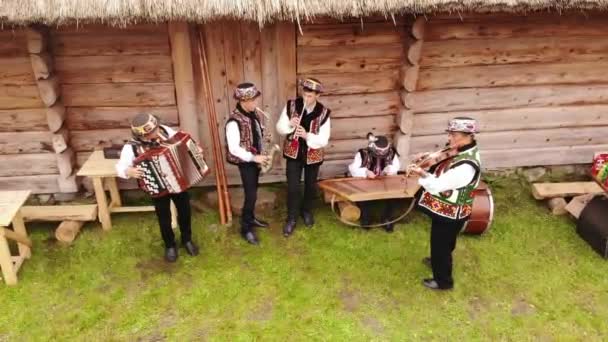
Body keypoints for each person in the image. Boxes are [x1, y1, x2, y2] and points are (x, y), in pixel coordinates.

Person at [409, 117, 482, 290]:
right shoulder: (462, 149)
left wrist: (421, 173)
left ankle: (443, 281)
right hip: (450, 208)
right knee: (446, 241)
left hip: (451, 211)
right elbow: (442, 157)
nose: (449, 138)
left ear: (467, 136)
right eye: (450, 134)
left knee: (440, 243)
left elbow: (438, 185)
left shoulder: (466, 165)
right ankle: (437, 261)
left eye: (453, 135)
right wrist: (427, 157)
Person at [116, 113, 199, 262]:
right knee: (164, 216)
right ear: (142, 135)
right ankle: (170, 245)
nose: (155, 133)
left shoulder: (166, 131)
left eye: (155, 129)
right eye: (151, 132)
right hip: (157, 185)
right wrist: (129, 171)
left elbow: (183, 143)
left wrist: (194, 150)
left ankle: (187, 240)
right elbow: (120, 167)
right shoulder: (131, 147)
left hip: (178, 181)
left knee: (185, 210)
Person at [276, 78, 331, 237]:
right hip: (293, 154)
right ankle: (292, 218)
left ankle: (306, 211)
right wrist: (289, 125)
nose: (306, 99)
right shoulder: (291, 106)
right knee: (293, 187)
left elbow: (324, 139)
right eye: (304, 94)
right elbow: (279, 128)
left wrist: (307, 136)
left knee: (310, 186)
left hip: (313, 155)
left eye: (310, 96)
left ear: (318, 95)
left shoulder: (324, 113)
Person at [225, 82, 270, 245]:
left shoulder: (253, 114)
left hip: (255, 158)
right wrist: (254, 158)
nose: (256, 103)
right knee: (250, 195)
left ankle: (250, 219)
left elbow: (254, 132)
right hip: (246, 161)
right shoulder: (233, 122)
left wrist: (262, 133)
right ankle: (245, 228)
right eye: (253, 100)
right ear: (244, 101)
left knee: (254, 192)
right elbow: (234, 149)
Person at [348, 133, 400, 232]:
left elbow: (396, 166)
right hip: (366, 182)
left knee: (394, 196)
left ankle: (387, 219)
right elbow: (353, 168)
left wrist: (390, 169)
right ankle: (366, 220)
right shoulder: (362, 153)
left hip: (385, 181)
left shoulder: (392, 153)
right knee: (364, 198)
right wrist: (366, 172)